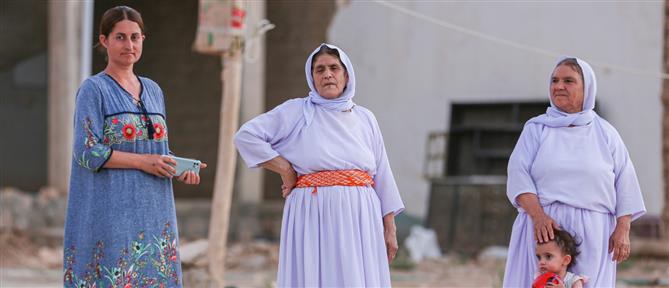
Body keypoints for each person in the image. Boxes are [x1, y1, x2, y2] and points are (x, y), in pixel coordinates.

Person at [235, 43, 404, 287]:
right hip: (312, 214)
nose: (327, 74)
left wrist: (390, 229)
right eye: (319, 69)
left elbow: (383, 174)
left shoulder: (365, 118)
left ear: (346, 75)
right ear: (311, 77)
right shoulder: (295, 111)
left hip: (361, 216)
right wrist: (285, 169)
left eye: (334, 68)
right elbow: (246, 136)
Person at [63, 6, 205, 288]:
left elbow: (156, 147)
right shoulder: (94, 89)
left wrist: (177, 167)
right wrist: (143, 162)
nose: (129, 45)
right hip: (112, 211)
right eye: (120, 37)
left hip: (155, 210)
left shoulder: (153, 90)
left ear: (143, 40)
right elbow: (88, 151)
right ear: (104, 41)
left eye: (135, 37)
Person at [503, 56, 646, 287]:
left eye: (568, 80)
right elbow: (518, 174)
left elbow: (626, 181)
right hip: (545, 232)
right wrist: (539, 217)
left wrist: (623, 228)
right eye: (554, 80)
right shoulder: (536, 129)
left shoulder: (606, 133)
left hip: (594, 232)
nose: (559, 86)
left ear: (586, 88)